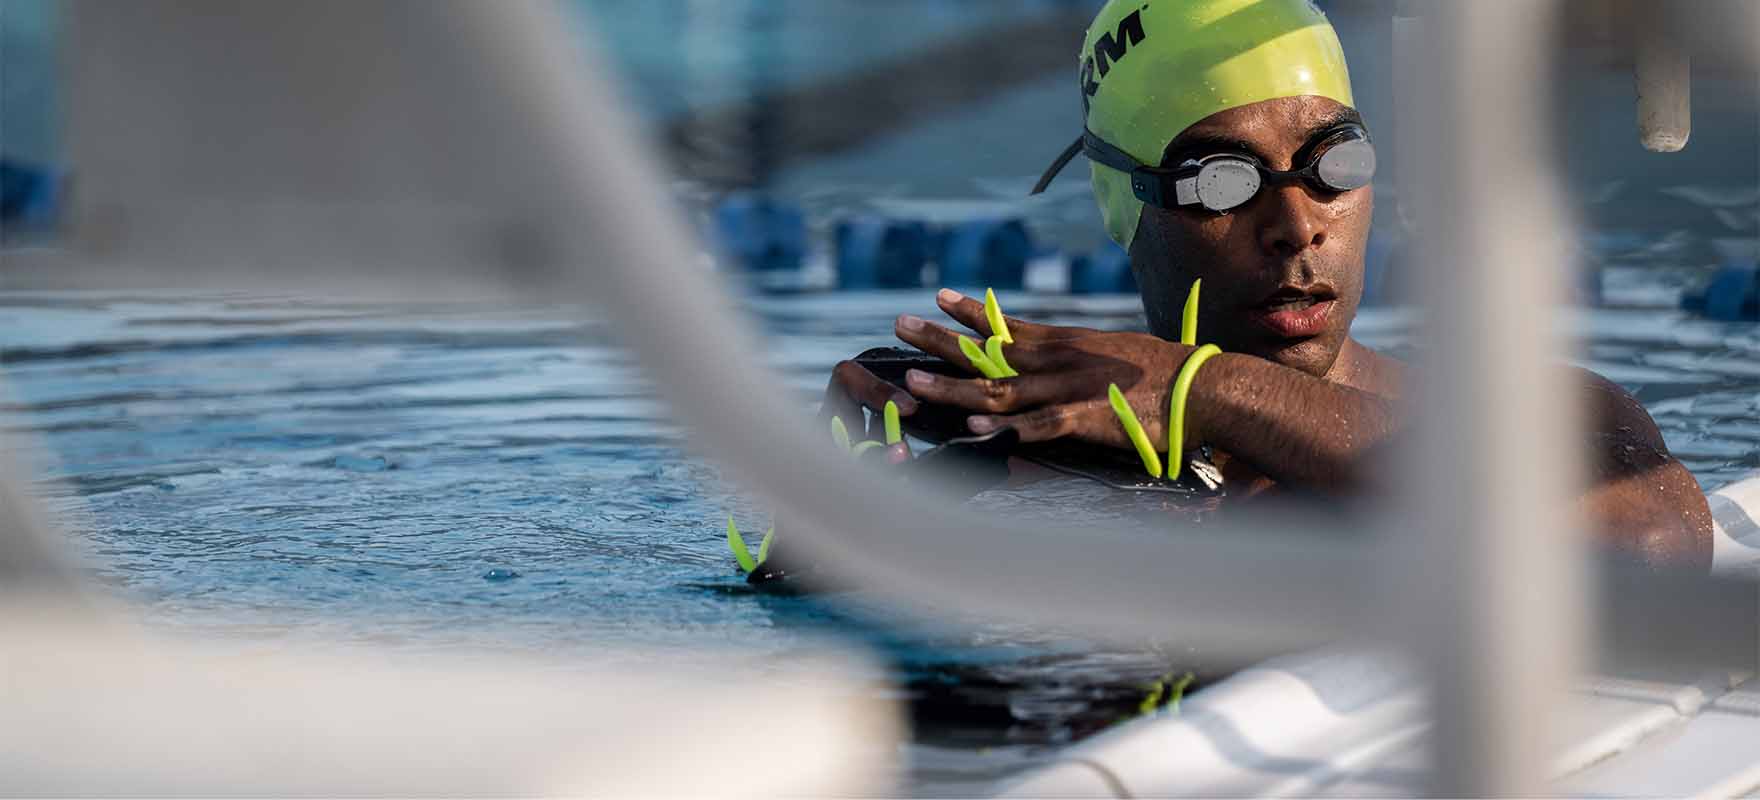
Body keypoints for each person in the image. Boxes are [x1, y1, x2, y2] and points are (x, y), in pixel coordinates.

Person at [823, 0, 1713, 569]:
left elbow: (1650, 542)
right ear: (1124, 204)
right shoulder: (1024, 470)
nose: (1298, 222)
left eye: (1335, 162)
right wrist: (842, 531)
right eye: (1221, 180)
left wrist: (1203, 388)